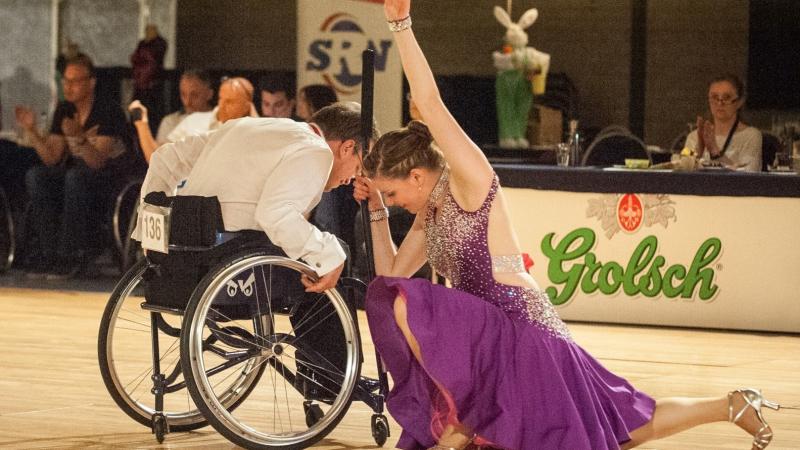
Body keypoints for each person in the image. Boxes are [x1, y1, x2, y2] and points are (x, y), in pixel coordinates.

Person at [353, 1, 780, 449]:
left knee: (621, 424)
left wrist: (399, 22)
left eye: (396, 193)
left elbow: (430, 104)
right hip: (489, 347)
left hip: (524, 335)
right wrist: (378, 211)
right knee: (621, 424)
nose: (397, 202)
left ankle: (729, 405)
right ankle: (733, 404)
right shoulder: (430, 212)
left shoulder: (470, 182)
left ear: (417, 175)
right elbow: (391, 280)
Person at [135, 101, 378, 293]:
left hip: (184, 255)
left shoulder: (242, 126)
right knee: (334, 253)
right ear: (347, 148)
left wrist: (152, 230)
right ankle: (327, 358)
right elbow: (274, 215)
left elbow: (164, 158)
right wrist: (329, 255)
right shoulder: (317, 150)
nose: (351, 180)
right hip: (230, 256)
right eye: (358, 168)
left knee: (316, 249)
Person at [15, 55, 129, 279]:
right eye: (65, 81)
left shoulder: (107, 109)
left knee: (75, 177)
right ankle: (49, 253)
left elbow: (98, 162)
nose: (69, 87)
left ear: (91, 82)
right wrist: (32, 131)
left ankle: (71, 255)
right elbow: (52, 158)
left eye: (75, 81)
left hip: (107, 178)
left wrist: (80, 138)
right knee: (37, 175)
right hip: (76, 175)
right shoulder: (65, 109)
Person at [129, 69, 214, 162]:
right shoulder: (170, 121)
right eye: (183, 94)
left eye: (194, 95)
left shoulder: (218, 120)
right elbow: (157, 161)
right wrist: (142, 124)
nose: (187, 102)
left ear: (209, 94)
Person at [686, 74, 762, 172]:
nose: (719, 103)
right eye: (714, 97)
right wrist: (698, 152)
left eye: (726, 98)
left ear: (740, 101)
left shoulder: (751, 136)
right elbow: (683, 175)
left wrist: (715, 152)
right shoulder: (693, 137)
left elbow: (749, 175)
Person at [165, 76, 257, 143]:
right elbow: (162, 155)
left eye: (230, 102)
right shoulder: (193, 121)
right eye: (221, 99)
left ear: (246, 107)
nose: (222, 106)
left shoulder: (255, 132)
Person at [130, 24, 168, 134]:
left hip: (154, 87)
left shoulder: (160, 43)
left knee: (154, 119)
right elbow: (134, 58)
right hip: (140, 85)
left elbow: (153, 59)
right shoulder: (142, 43)